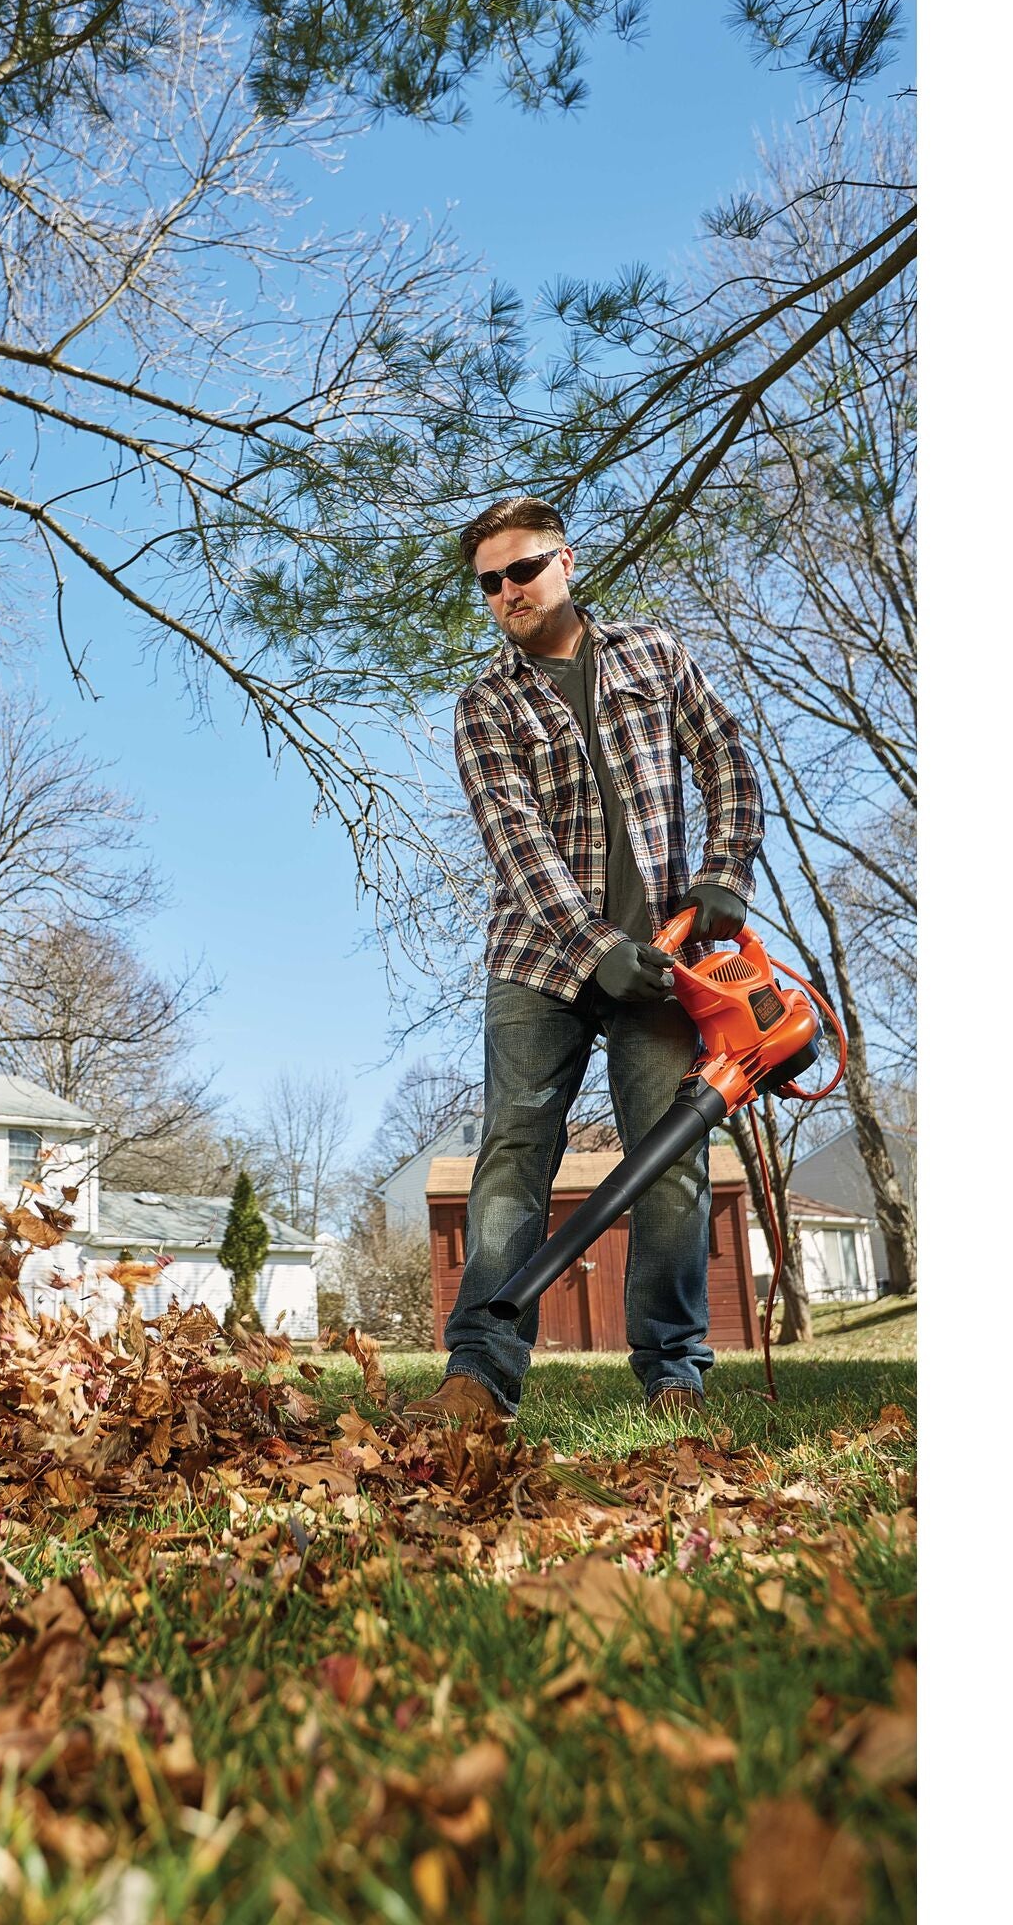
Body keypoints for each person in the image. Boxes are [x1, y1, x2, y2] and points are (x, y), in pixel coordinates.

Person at [406, 497, 764, 1430]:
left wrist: (724, 870)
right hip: (540, 962)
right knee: (515, 1156)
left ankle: (675, 1377)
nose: (507, 593)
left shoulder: (653, 654)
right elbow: (515, 842)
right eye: (489, 583)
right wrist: (594, 947)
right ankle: (479, 1376)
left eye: (522, 570)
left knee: (674, 1159)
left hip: (668, 961)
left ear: (566, 562)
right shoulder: (487, 704)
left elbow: (724, 752)